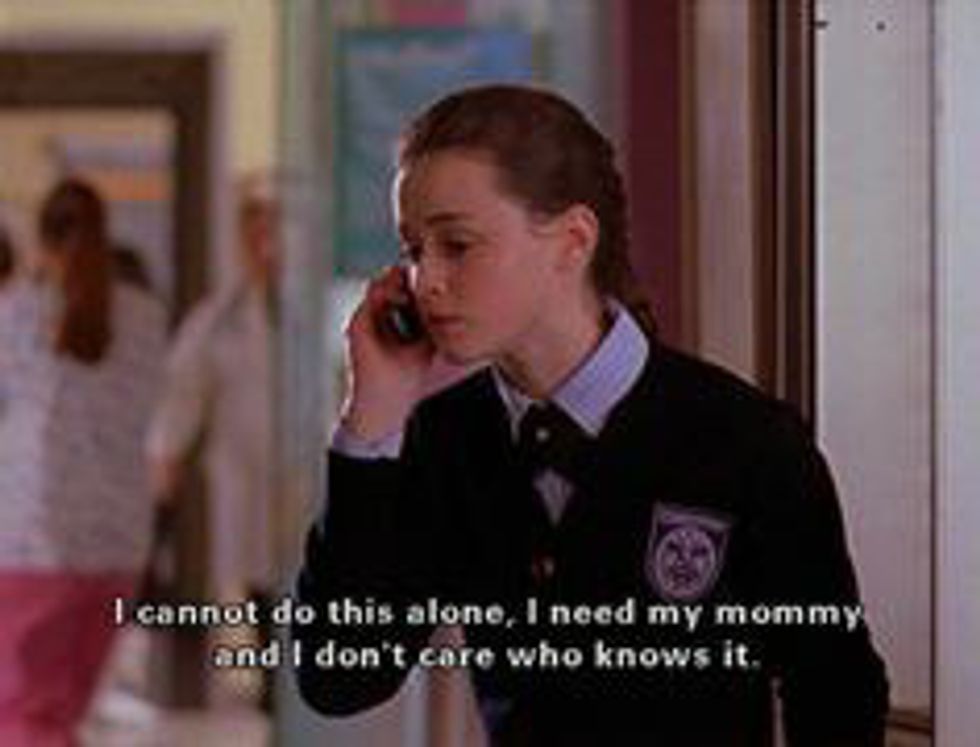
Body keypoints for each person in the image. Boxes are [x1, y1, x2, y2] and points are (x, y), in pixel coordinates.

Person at [293, 85, 889, 745]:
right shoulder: (445, 440)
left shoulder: (744, 441)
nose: (425, 279)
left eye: (456, 245)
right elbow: (338, 677)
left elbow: (836, 690)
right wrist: (370, 421)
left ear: (572, 240)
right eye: (413, 250)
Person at [0, 179, 166, 744]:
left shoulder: (18, 314)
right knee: (63, 714)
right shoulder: (147, 317)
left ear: (42, 241)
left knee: (21, 714)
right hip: (118, 541)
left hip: (31, 540)